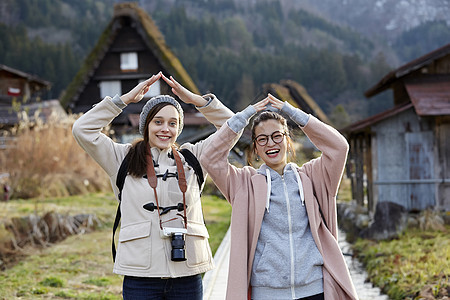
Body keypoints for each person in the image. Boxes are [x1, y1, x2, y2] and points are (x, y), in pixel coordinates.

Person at [72, 72, 234, 300]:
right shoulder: (122, 157)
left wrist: (198, 102)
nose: (165, 129)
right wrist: (123, 100)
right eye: (158, 122)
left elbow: (234, 127)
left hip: (187, 273)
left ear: (179, 128)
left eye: (172, 123)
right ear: (146, 125)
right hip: (141, 275)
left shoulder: (194, 157)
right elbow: (82, 130)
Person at [199, 94, 359, 299]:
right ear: (255, 147)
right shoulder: (243, 184)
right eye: (262, 139)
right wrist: (243, 117)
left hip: (314, 289)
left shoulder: (314, 176)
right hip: (267, 293)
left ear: (287, 139)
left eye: (277, 136)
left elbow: (339, 147)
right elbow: (209, 158)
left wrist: (295, 114)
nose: (270, 143)